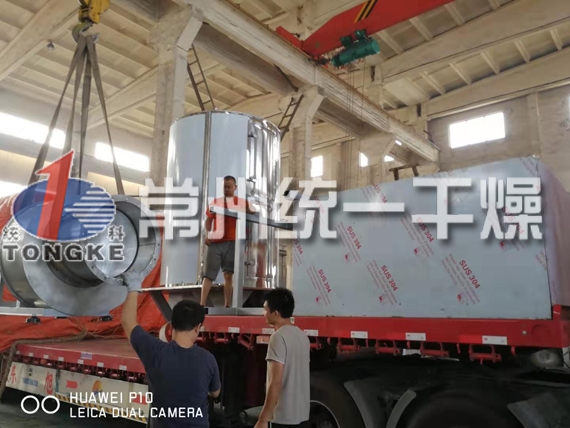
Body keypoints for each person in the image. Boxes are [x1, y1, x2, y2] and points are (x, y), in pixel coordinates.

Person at [121, 272, 221, 428]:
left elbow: (128, 322)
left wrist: (133, 286)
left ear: (171, 324)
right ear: (197, 328)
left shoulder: (155, 352)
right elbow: (215, 392)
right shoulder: (208, 359)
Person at [255, 288, 310, 428]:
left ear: (275, 313)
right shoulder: (302, 336)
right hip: (301, 415)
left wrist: (263, 419)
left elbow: (275, 382)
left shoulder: (278, 338)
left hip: (283, 418)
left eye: (265, 310)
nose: (263, 314)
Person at [200, 175, 256, 307]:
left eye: (229, 187)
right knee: (208, 275)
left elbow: (254, 210)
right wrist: (207, 234)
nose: (226, 189)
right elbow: (208, 220)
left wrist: (240, 208)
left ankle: (227, 304)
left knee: (228, 275)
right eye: (224, 187)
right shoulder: (215, 202)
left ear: (235, 187)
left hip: (232, 243)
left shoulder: (240, 202)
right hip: (215, 243)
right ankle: (201, 304)